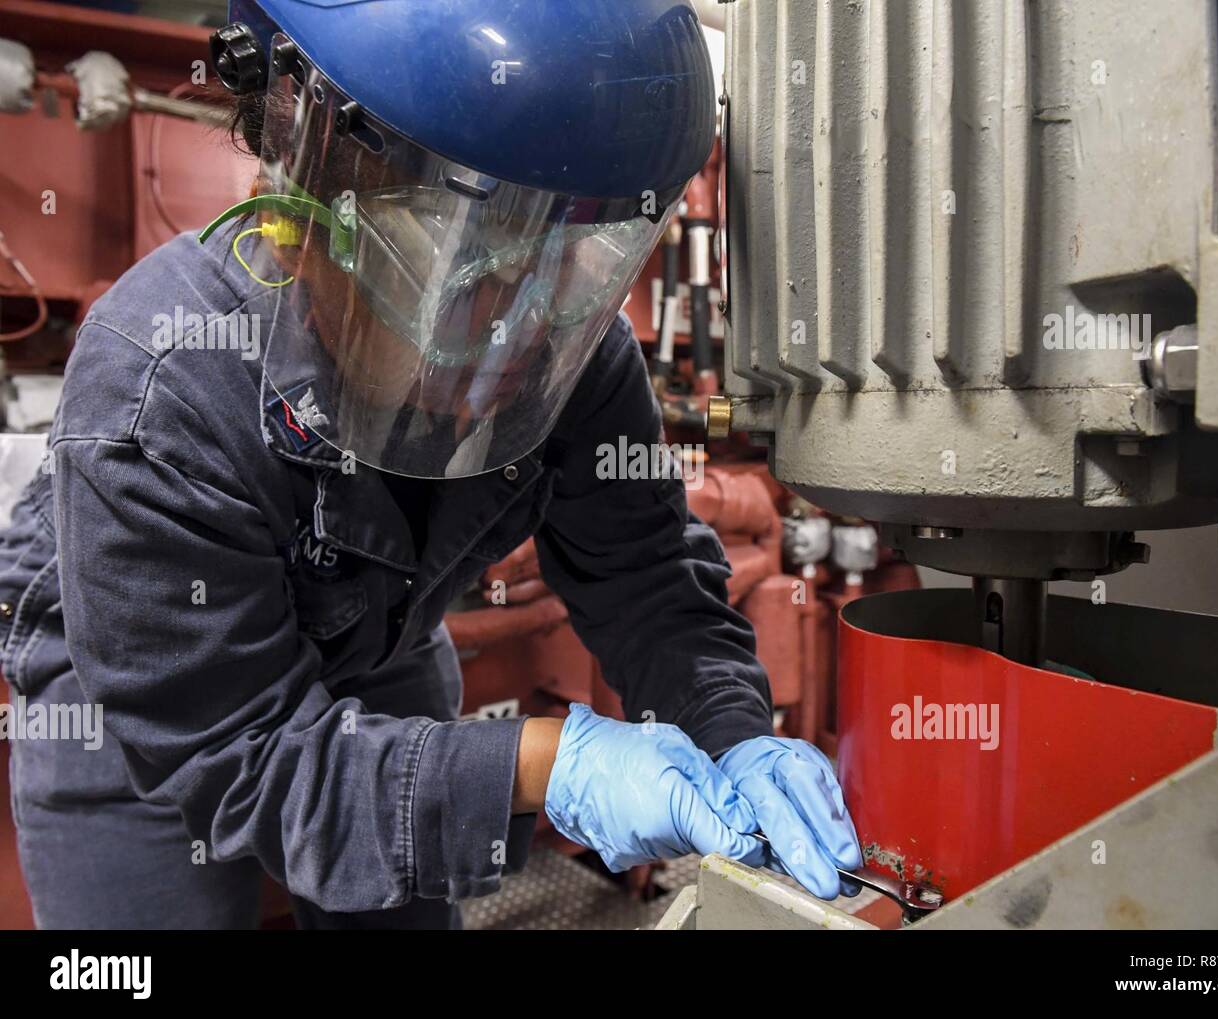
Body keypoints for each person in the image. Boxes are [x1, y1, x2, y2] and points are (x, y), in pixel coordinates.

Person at [0, 0, 861, 930]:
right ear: (309, 202)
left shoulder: (569, 353)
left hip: (378, 640)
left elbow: (647, 581)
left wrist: (735, 737)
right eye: (466, 258)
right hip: (162, 695)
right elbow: (249, 760)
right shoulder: (161, 388)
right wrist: (547, 765)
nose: (514, 325)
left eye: (564, 257)